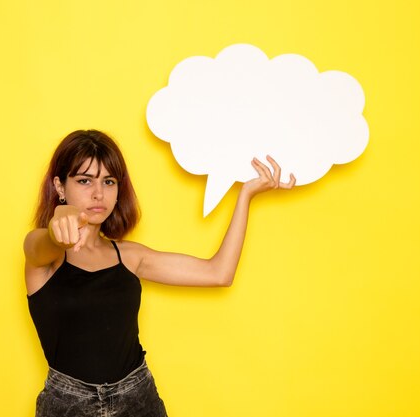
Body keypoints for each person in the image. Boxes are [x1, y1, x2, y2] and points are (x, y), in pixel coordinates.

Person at [24, 129, 295, 417]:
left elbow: (219, 273)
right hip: (67, 405)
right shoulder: (43, 255)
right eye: (84, 180)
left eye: (109, 181)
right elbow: (39, 246)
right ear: (60, 186)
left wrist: (246, 196)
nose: (98, 193)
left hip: (137, 399)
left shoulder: (130, 257)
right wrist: (56, 232)